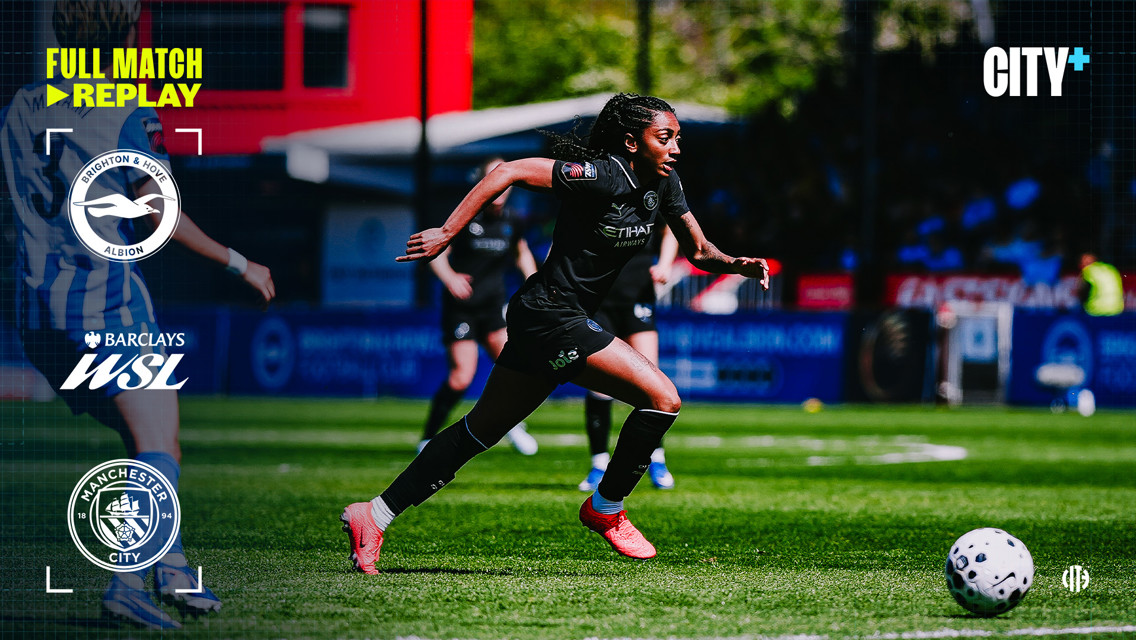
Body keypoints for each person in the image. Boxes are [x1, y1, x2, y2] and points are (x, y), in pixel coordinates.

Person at [341, 93, 769, 569]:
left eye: (677, 138)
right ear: (631, 142)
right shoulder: (604, 174)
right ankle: (606, 508)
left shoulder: (665, 183)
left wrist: (736, 264)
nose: (675, 148)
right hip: (551, 316)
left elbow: (699, 250)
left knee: (477, 432)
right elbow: (508, 172)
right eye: (664, 137)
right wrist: (448, 231)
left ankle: (373, 514)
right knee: (662, 398)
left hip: (547, 319)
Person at [1, 0, 275, 629]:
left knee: (141, 439)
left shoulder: (21, 103)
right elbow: (160, 214)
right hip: (105, 300)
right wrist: (240, 263)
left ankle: (169, 567)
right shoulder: (124, 106)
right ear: (125, 30)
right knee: (158, 443)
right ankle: (129, 582)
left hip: (35, 310)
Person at [418, 157, 539, 456]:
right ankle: (428, 437)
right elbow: (436, 250)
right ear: (484, 183)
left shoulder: (512, 219)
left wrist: (534, 280)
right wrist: (449, 277)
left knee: (516, 369)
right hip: (461, 308)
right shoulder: (467, 215)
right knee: (461, 377)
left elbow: (520, 251)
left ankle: (511, 424)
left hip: (492, 306)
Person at [580, 226, 679, 492]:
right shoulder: (603, 189)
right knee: (599, 387)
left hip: (639, 296)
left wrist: (666, 264)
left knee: (652, 386)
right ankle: (598, 464)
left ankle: (656, 460)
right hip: (599, 299)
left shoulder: (652, 192)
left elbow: (671, 229)